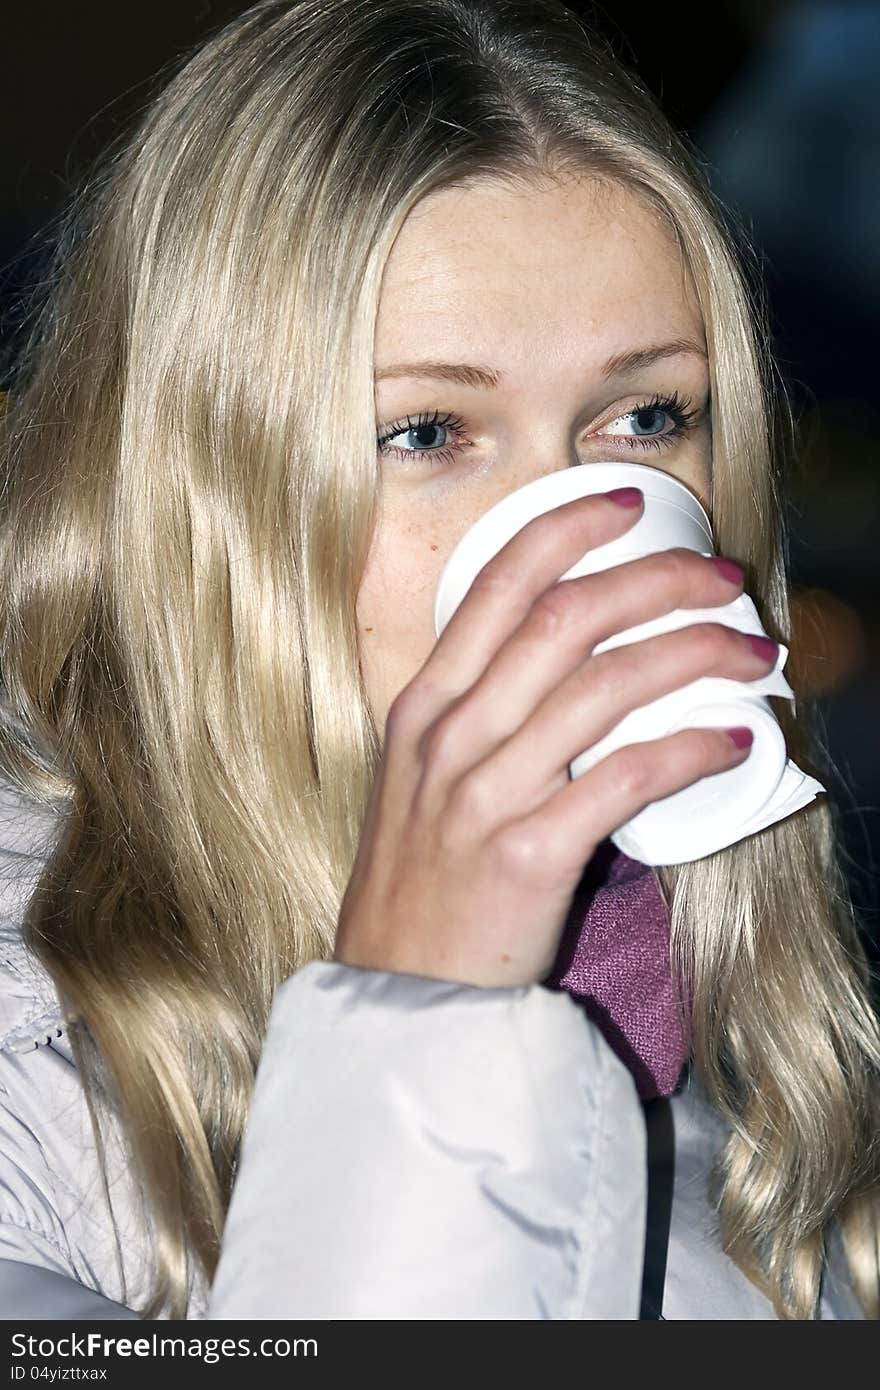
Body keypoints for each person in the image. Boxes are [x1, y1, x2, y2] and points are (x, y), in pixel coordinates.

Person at [0, 0, 877, 1322]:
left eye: (647, 415)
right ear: (202, 492)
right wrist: (425, 1014)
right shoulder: (37, 1074)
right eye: (426, 432)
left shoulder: (748, 1001)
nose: (573, 534)